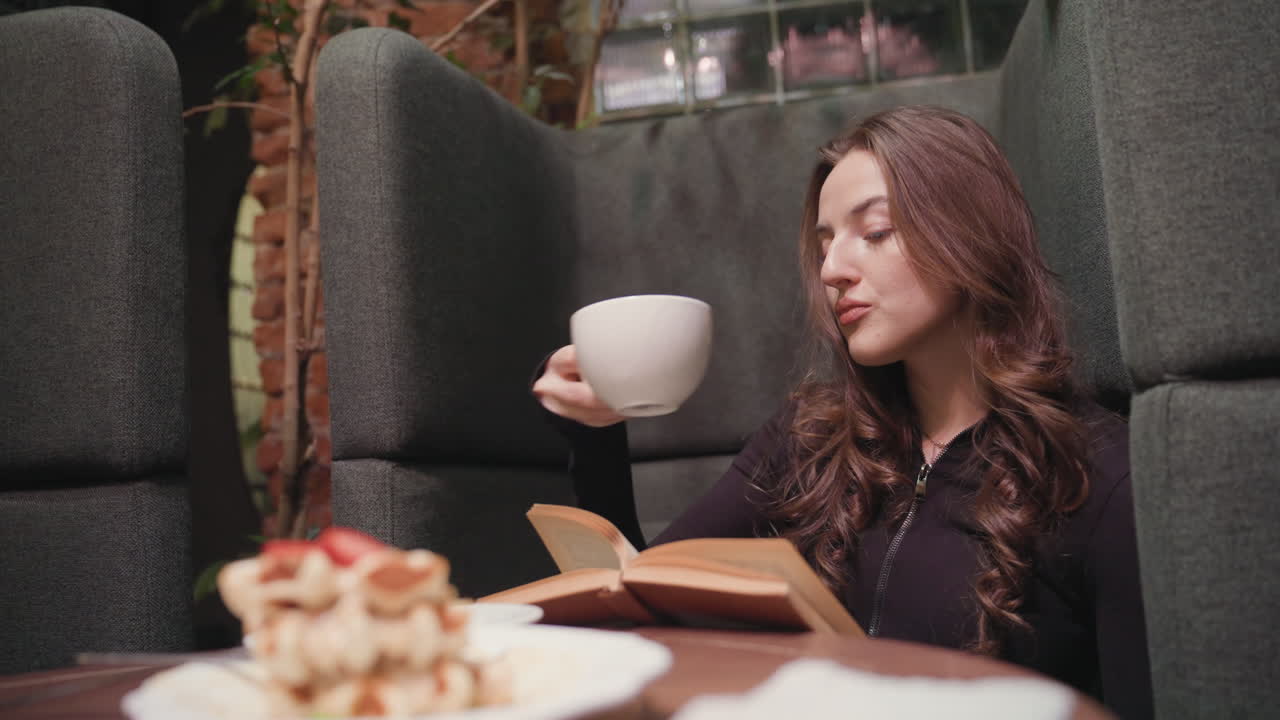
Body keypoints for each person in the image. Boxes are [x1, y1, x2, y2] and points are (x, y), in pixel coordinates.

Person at [532, 105, 1153, 719]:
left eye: (875, 232)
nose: (831, 270)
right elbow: (642, 592)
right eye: (825, 244)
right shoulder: (808, 441)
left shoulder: (1096, 476)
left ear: (971, 232)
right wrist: (598, 436)